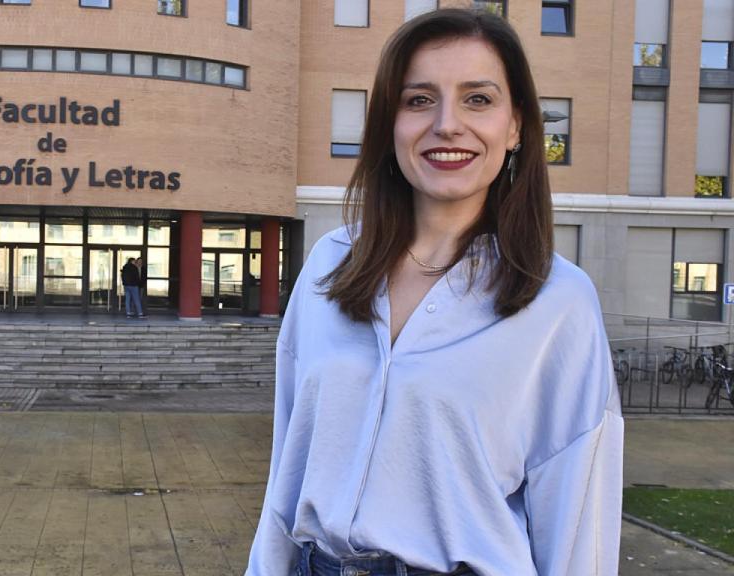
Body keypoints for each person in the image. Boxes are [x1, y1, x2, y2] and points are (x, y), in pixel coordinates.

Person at [246, 9, 622, 576]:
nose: (447, 124)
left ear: (516, 125)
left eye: (478, 99)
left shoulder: (559, 300)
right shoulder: (328, 265)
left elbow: (578, 522)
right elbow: (287, 469)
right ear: (389, 124)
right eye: (419, 99)